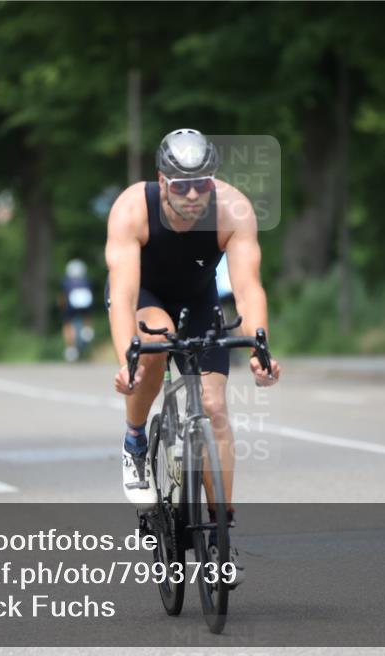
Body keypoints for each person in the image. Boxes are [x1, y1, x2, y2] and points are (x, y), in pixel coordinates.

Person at [105, 128, 281, 582]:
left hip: (199, 301)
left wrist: (260, 345)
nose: (191, 195)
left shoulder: (232, 209)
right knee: (157, 342)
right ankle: (135, 439)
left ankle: (221, 536)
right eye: (180, 185)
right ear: (161, 180)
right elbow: (123, 294)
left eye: (201, 183)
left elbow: (247, 287)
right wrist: (127, 356)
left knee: (215, 406)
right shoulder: (131, 208)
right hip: (145, 296)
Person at [60, 259, 94, 362]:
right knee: (87, 315)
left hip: (72, 300)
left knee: (67, 323)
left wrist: (62, 307)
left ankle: (71, 348)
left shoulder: (66, 281)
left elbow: (64, 296)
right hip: (86, 299)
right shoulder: (87, 280)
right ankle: (87, 330)